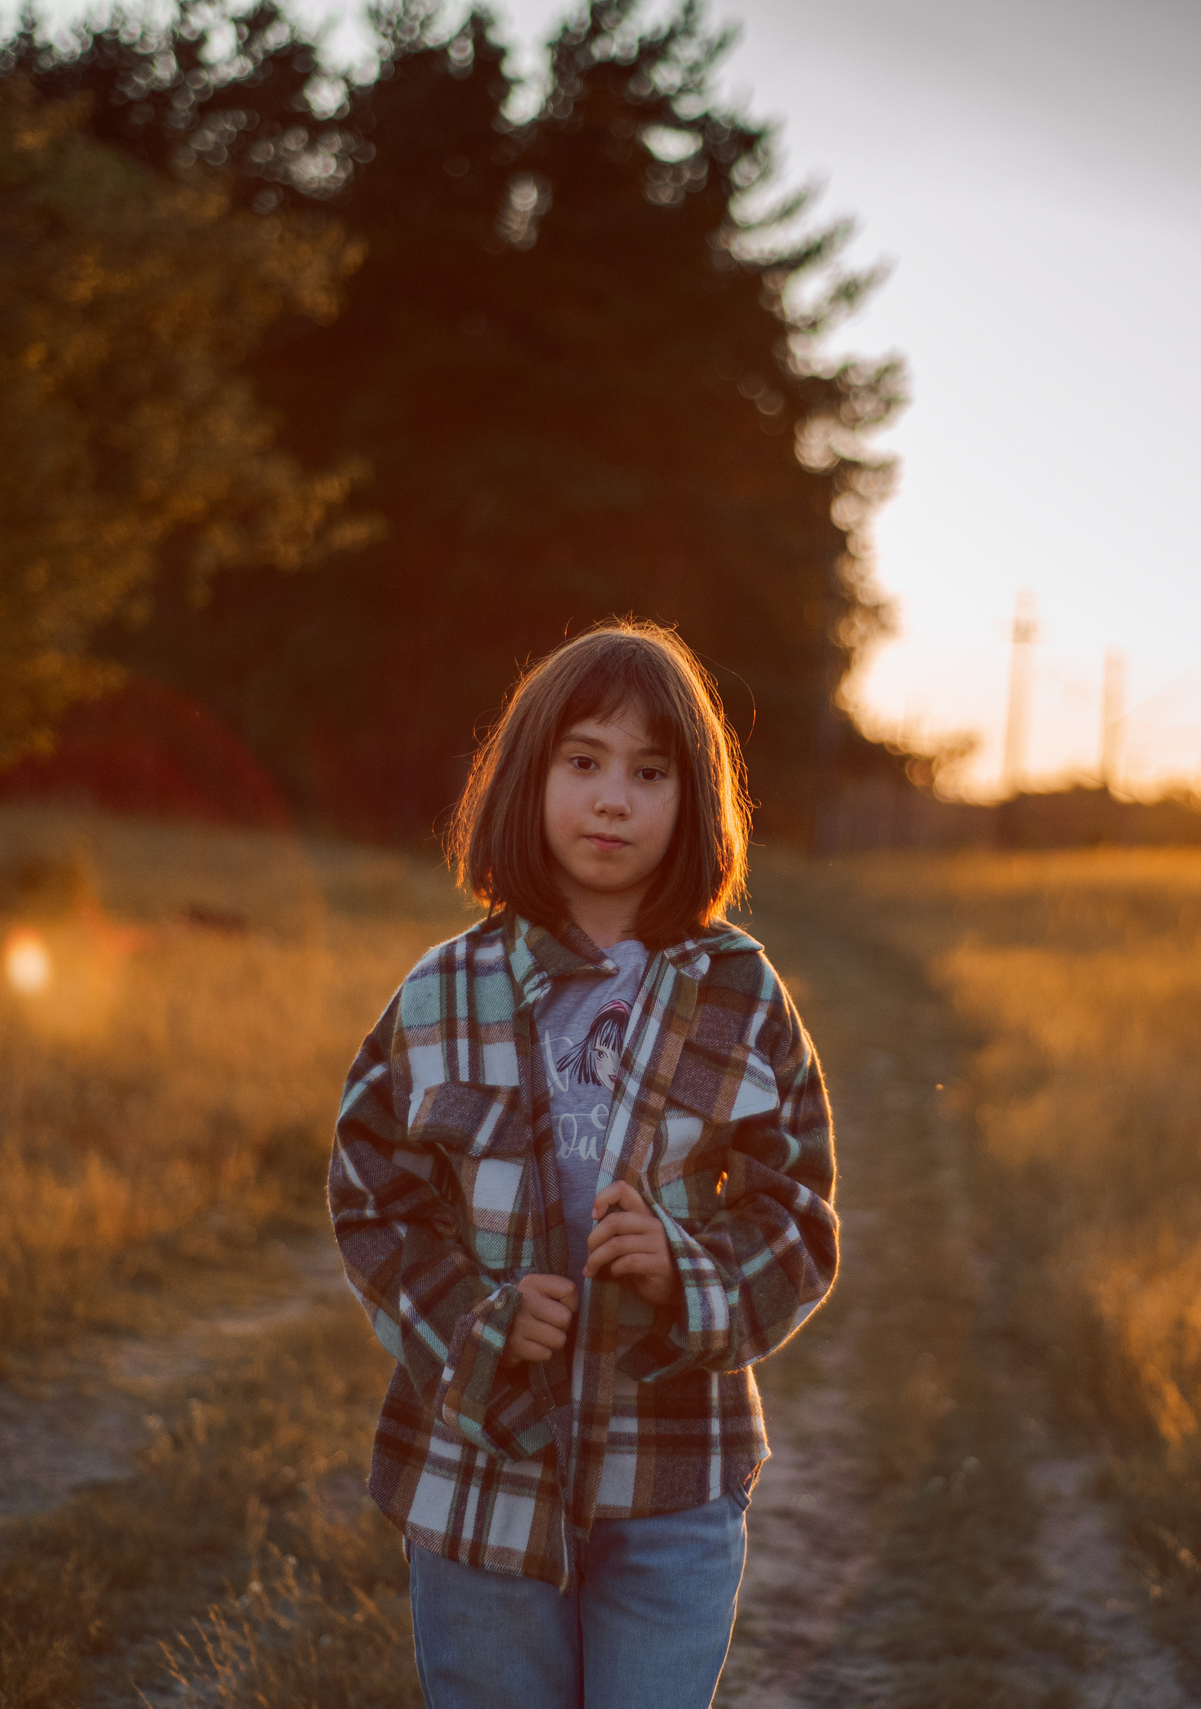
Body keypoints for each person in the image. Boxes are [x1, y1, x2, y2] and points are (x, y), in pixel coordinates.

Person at [329, 619, 842, 1709]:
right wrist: (476, 1318)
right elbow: (373, 1198)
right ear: (529, 776)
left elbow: (798, 1211)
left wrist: (684, 1269)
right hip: (480, 1468)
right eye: (583, 761)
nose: (613, 797)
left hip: (672, 1474)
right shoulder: (441, 990)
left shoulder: (739, 992)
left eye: (649, 772)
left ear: (691, 800)